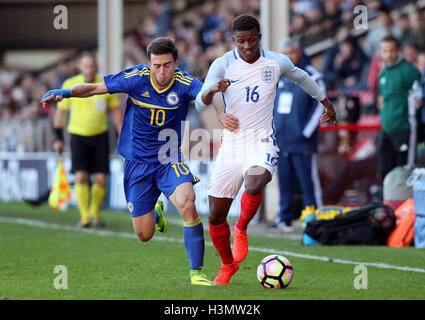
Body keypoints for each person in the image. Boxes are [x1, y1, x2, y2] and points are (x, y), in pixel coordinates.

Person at [42, 37, 214, 286]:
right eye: (156, 65)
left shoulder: (186, 83)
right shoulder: (136, 78)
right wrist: (65, 93)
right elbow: (93, 88)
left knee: (188, 204)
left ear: (176, 64)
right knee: (144, 235)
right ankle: (156, 211)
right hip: (137, 163)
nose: (162, 71)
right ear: (149, 63)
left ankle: (196, 273)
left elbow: (207, 97)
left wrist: (222, 107)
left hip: (169, 158)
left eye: (167, 65)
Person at [195, 14, 336, 285]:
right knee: (214, 215)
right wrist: (213, 89)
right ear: (233, 40)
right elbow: (201, 104)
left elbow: (303, 77)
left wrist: (326, 103)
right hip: (232, 143)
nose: (246, 46)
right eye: (240, 41)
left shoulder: (276, 61)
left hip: (262, 139)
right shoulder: (222, 64)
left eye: (251, 40)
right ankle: (227, 265)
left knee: (256, 181)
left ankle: (241, 228)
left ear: (259, 37)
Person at [52, 52, 123, 228]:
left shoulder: (105, 85)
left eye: (92, 66)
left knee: (101, 179)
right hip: (78, 135)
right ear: (80, 67)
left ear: (96, 67)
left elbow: (115, 112)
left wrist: (123, 134)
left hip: (100, 135)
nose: (89, 69)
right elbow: (60, 113)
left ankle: (94, 212)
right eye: (86, 66)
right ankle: (84, 217)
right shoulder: (70, 84)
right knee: (81, 176)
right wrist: (58, 138)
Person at [267, 38, 324, 233]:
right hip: (282, 140)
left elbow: (321, 104)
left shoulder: (312, 76)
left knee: (308, 182)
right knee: (284, 182)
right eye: (285, 53)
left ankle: (314, 219)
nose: (289, 57)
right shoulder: (279, 76)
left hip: (302, 142)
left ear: (300, 53)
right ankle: (284, 218)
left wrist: (305, 131)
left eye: (292, 52)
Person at [377, 35, 421, 181]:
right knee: (385, 170)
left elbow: (419, 94)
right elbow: (382, 97)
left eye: (391, 51)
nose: (388, 55)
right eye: (385, 51)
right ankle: (386, 202)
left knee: (405, 171)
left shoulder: (409, 71)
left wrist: (419, 100)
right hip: (386, 128)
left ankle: (407, 203)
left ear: (398, 51)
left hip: (404, 127)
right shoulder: (382, 72)